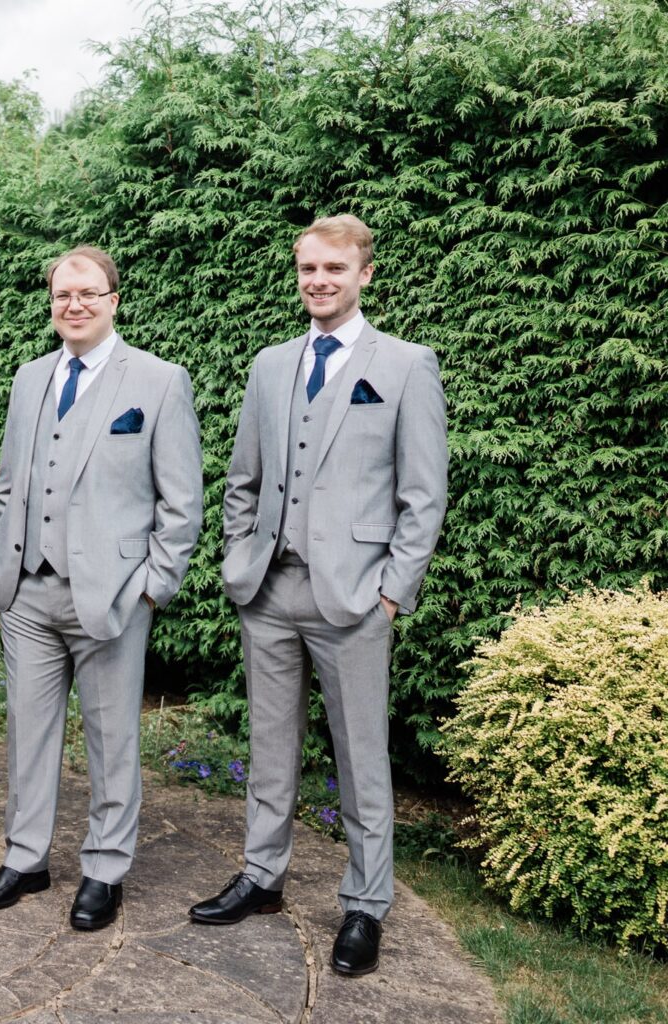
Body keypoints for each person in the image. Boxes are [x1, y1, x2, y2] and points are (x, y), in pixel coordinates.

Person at [188, 215, 448, 978]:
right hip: (270, 588)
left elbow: (423, 496)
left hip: (355, 598)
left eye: (334, 268)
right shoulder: (271, 364)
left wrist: (391, 593)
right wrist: (243, 559)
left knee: (362, 757)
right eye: (308, 269)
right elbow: (243, 477)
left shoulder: (405, 365)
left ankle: (366, 904)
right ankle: (261, 878)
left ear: (365, 274)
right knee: (270, 749)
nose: (319, 281)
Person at [0, 245, 203, 931]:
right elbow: (13, 479)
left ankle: (105, 869)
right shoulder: (29, 377)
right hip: (28, 594)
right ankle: (26, 858)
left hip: (112, 596)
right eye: (62, 295)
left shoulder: (159, 382)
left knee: (111, 739)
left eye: (87, 293)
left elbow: (182, 503)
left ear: (113, 300)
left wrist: (151, 590)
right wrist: (1, 567)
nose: (73, 304)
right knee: (28, 734)